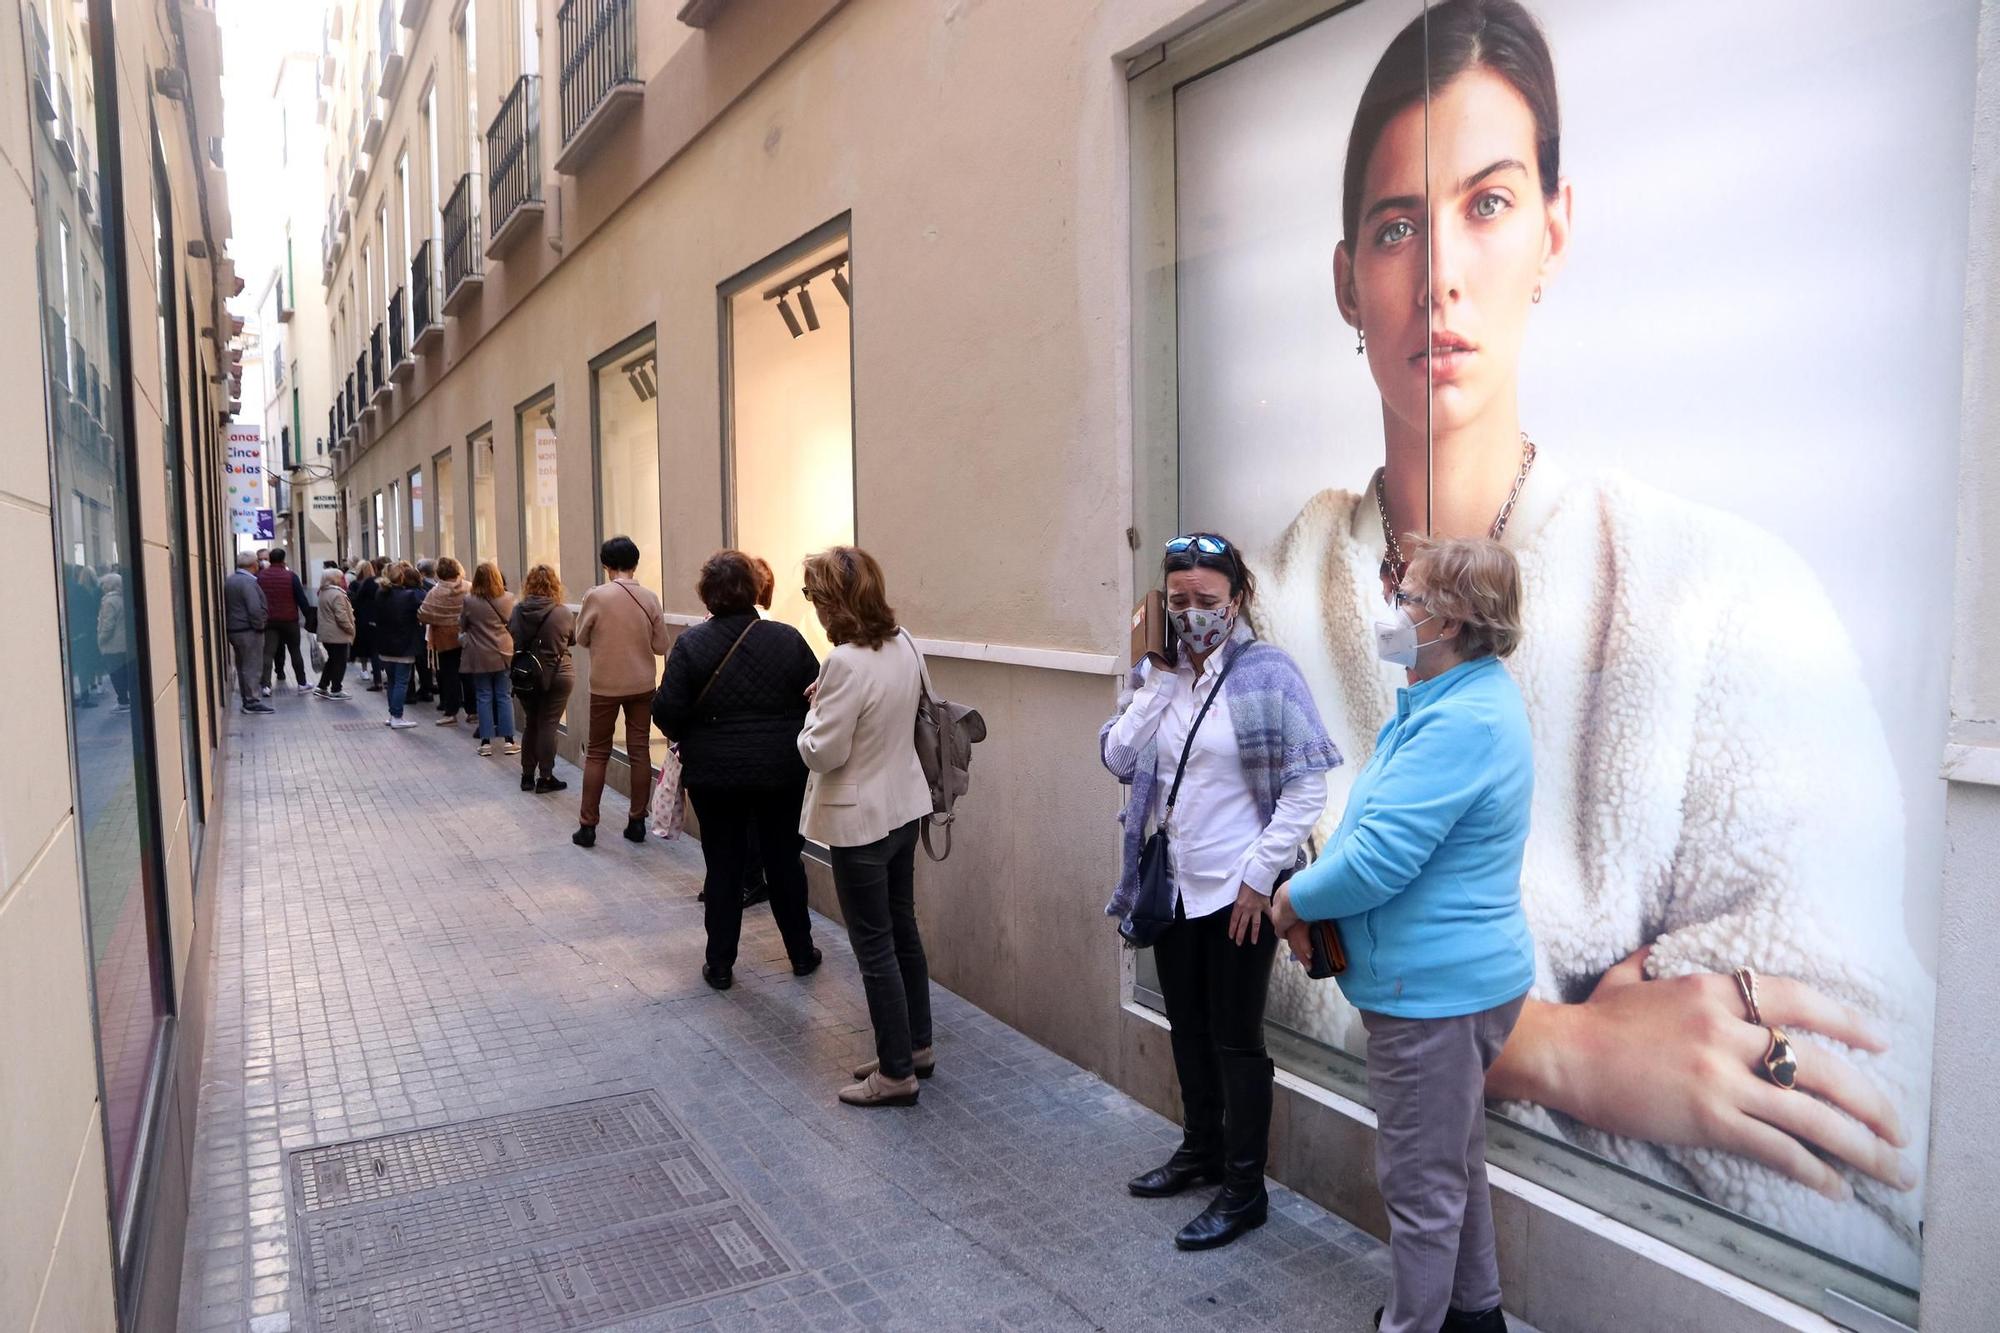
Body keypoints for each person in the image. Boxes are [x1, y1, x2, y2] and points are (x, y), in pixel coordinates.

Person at [1252, 0, 1926, 1278]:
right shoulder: (1273, 605)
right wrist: (1563, 1049)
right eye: (1395, 226)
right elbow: (1239, 938)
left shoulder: (1722, 597)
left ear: (1554, 229)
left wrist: (1397, 983)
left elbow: (1840, 1098)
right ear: (1346, 276)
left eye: (1488, 204)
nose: (1438, 272)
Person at [1266, 537, 1528, 1333]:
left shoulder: (1463, 721)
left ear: (1451, 620)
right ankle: (1475, 1316)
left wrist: (1291, 901)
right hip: (1443, 985)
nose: (1395, 613)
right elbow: (1373, 830)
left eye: (1407, 599)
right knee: (1454, 1170)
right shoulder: (1448, 703)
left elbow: (1377, 860)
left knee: (1421, 1191)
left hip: (1433, 996)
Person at [1101, 533, 1339, 1250]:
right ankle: (1200, 1148)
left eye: (1208, 600)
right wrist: (1157, 683)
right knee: (1188, 1025)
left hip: (1236, 893)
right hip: (1172, 886)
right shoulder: (1159, 675)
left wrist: (1258, 877)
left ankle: (1245, 1188)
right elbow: (1116, 755)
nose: (1194, 613)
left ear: (1236, 599)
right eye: (1180, 601)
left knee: (1237, 1038)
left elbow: (1306, 787)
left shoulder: (1266, 673)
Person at [796, 548, 935, 1109]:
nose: (814, 609)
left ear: (834, 602)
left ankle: (897, 1073)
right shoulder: (904, 643)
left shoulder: (844, 664)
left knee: (873, 947)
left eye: (814, 598)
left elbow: (822, 752)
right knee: (903, 933)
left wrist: (810, 717)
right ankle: (916, 1046)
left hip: (861, 823)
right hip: (903, 807)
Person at [655, 551, 823, 990]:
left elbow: (666, 712)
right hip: (781, 772)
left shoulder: (692, 645)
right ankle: (802, 954)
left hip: (715, 777)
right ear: (753, 591)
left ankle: (721, 964)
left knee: (723, 866)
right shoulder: (787, 639)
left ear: (707, 593)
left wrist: (698, 730)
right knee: (784, 860)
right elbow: (818, 698)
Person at [571, 536, 670, 847]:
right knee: (639, 751)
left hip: (605, 685)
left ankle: (588, 826)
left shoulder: (596, 596)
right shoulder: (650, 597)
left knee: (598, 752)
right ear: (635, 563)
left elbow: (582, 638)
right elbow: (660, 645)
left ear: (606, 565)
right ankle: (637, 821)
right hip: (642, 684)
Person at [508, 564, 575, 793]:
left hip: (526, 674)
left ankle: (527, 776)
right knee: (549, 724)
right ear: (555, 585)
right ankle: (545, 777)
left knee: (531, 723)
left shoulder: (517, 611)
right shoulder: (562, 612)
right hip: (557, 673)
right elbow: (571, 639)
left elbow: (513, 635)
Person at [459, 562, 519, 757]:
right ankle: (509, 740)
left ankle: (485, 742)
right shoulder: (509, 599)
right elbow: (513, 626)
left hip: (479, 653)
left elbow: (463, 625)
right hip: (503, 653)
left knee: (483, 696)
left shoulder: (469, 600)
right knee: (503, 696)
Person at [372, 562, 426, 729]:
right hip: (405, 644)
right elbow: (422, 614)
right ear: (401, 578)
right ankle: (397, 715)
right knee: (402, 681)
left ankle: (392, 714)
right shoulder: (409, 596)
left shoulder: (380, 594)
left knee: (393, 681)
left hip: (385, 644)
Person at [418, 556, 471, 724]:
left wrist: (440, 620)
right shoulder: (469, 587)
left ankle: (451, 712)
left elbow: (423, 614)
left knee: (450, 676)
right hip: (467, 638)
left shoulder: (435, 592)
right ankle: (473, 711)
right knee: (469, 675)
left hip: (444, 640)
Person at [256, 548, 312, 695]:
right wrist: (309, 617)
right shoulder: (291, 576)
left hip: (269, 620)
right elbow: (301, 599)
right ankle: (302, 683)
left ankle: (266, 686)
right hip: (289, 620)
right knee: (295, 650)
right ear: (283, 559)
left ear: (270, 559)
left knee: (267, 652)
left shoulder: (261, 577)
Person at [224, 551, 273, 715]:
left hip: (235, 629)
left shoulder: (231, 580)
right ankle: (252, 701)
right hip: (248, 630)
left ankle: (248, 699)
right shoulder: (248, 582)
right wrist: (260, 626)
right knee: (252, 665)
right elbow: (254, 608)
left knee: (243, 665)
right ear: (254, 565)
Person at [313, 567, 356, 699]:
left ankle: (322, 685)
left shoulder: (323, 592)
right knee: (339, 662)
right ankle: (336, 689)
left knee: (332, 661)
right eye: (341, 577)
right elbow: (341, 616)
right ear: (334, 579)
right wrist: (351, 628)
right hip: (337, 635)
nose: (344, 580)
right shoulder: (337, 594)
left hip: (327, 633)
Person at [65, 564, 102, 708]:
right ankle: (85, 696)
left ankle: (71, 696)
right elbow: (91, 610)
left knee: (69, 667)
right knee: (83, 667)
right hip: (82, 634)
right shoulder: (79, 590)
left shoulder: (61, 589)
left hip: (69, 633)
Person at [95, 569, 131, 713]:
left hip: (112, 645)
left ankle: (122, 701)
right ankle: (126, 699)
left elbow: (107, 625)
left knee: (116, 674)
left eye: (104, 584)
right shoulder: (122, 599)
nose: (102, 587)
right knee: (124, 672)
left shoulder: (109, 602)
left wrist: (101, 639)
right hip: (123, 643)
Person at [349, 561, 383, 691]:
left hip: (366, 619)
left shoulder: (365, 583)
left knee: (373, 650)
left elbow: (357, 599)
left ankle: (377, 681)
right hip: (379, 618)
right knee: (378, 649)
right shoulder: (380, 582)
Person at [411, 559, 439, 702]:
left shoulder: (425, 589)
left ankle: (426, 688)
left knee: (424, 661)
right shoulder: (435, 585)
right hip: (434, 630)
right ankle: (428, 686)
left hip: (427, 630)